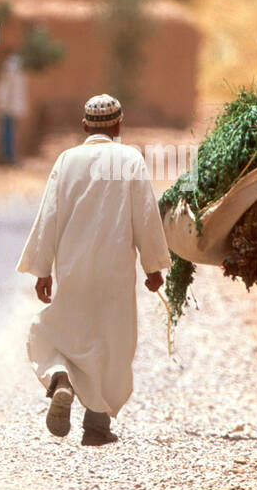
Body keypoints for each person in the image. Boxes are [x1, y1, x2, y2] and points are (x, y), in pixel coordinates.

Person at [16, 94, 171, 445]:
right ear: (119, 126)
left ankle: (60, 379)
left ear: (84, 126)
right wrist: (153, 266)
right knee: (112, 344)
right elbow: (145, 216)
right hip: (115, 273)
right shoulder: (129, 159)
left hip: (73, 269)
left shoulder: (67, 161)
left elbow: (49, 217)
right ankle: (97, 425)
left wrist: (43, 271)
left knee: (56, 332)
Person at [0, 53, 28, 164]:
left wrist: (0, 104)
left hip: (7, 107)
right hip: (11, 107)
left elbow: (4, 91)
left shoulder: (10, 71)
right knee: (8, 134)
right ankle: (8, 158)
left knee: (7, 133)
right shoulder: (16, 70)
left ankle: (8, 157)